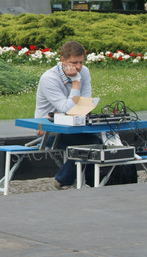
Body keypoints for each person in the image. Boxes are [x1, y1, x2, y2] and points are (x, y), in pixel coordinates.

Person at [33, 41, 100, 189]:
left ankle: (88, 182)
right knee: (91, 143)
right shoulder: (49, 78)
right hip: (50, 132)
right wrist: (76, 82)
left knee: (98, 142)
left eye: (81, 62)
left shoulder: (85, 71)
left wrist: (68, 111)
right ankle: (63, 180)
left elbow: (85, 103)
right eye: (73, 62)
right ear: (62, 60)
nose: (78, 67)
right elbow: (66, 107)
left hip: (75, 126)